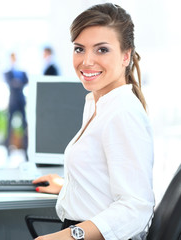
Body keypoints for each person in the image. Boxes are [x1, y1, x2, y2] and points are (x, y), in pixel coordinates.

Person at [33, 3, 154, 240]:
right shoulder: (98, 103)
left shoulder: (122, 113)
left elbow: (136, 208)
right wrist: (69, 185)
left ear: (125, 55)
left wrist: (66, 236)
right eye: (79, 49)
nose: (87, 61)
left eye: (101, 50)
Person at [4, 53, 29, 157]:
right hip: (12, 100)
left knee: (24, 124)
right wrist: (17, 83)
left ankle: (26, 147)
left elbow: (26, 81)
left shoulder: (22, 72)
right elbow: (10, 83)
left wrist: (16, 83)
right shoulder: (8, 72)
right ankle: (7, 147)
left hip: (21, 100)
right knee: (9, 124)